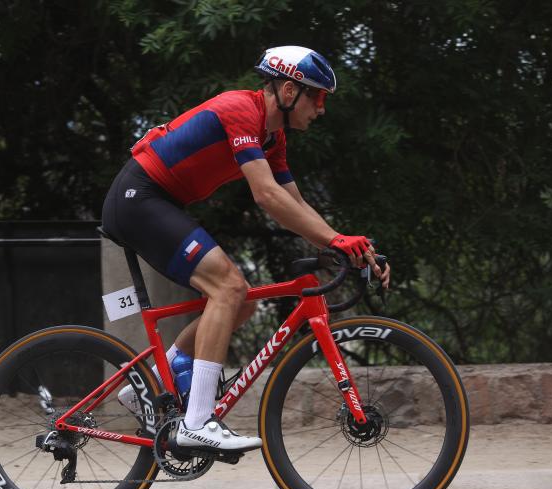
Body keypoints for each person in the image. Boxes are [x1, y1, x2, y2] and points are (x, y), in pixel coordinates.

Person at [102, 45, 391, 453]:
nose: (322, 109)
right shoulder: (241, 109)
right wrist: (336, 240)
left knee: (241, 302)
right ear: (289, 92)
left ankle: (145, 387)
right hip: (139, 197)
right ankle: (197, 421)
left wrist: (346, 245)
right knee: (229, 288)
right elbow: (267, 196)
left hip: (157, 202)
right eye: (318, 97)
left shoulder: (273, 140)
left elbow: (296, 206)